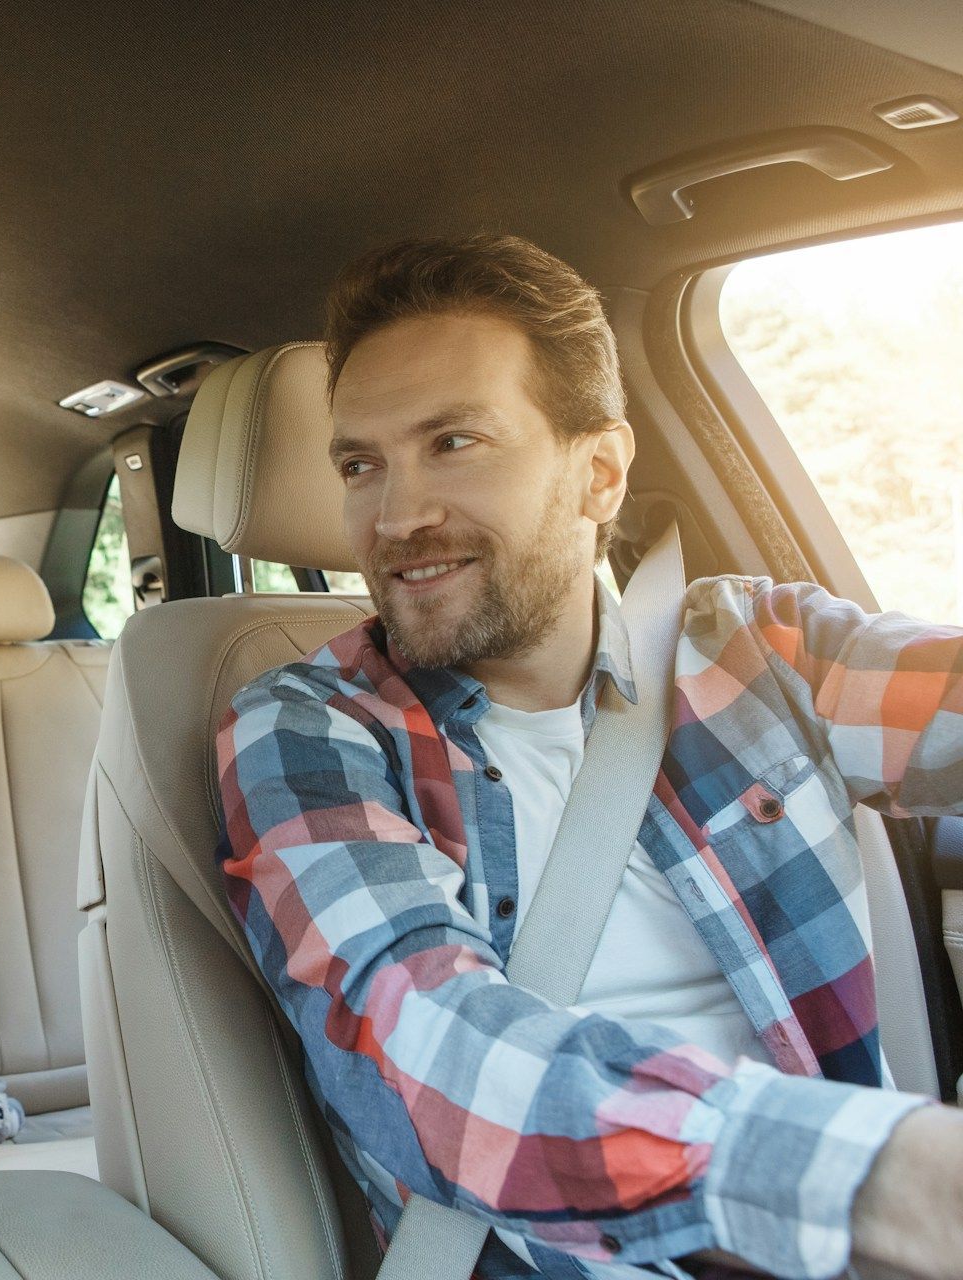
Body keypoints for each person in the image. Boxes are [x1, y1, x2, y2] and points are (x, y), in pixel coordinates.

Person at [218, 233, 963, 1280]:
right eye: (361, 464)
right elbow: (429, 1048)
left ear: (600, 472)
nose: (396, 515)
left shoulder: (756, 651)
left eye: (455, 442)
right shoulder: (309, 731)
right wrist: (885, 1175)